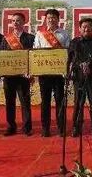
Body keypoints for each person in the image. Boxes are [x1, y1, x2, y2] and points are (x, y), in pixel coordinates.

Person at [33, 9, 70, 137]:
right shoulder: (40, 34)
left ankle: (61, 128)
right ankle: (45, 128)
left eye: (54, 17)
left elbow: (68, 52)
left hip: (59, 73)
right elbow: (36, 51)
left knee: (60, 100)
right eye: (49, 18)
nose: (51, 20)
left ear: (58, 19)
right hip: (44, 73)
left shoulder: (64, 34)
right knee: (45, 101)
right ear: (45, 20)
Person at [68, 18, 92, 137]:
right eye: (84, 26)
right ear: (80, 28)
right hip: (79, 78)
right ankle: (76, 127)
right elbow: (71, 58)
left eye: (89, 26)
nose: (86, 29)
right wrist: (79, 65)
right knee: (78, 103)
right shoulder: (75, 42)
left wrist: (88, 63)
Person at [1, 12, 34, 136]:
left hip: (23, 76)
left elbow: (33, 56)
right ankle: (11, 127)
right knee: (10, 102)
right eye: (13, 21)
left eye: (18, 20)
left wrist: (31, 72)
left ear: (24, 22)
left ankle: (27, 128)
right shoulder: (5, 39)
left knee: (25, 102)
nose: (15, 23)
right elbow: (1, 56)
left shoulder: (30, 38)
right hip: (9, 76)